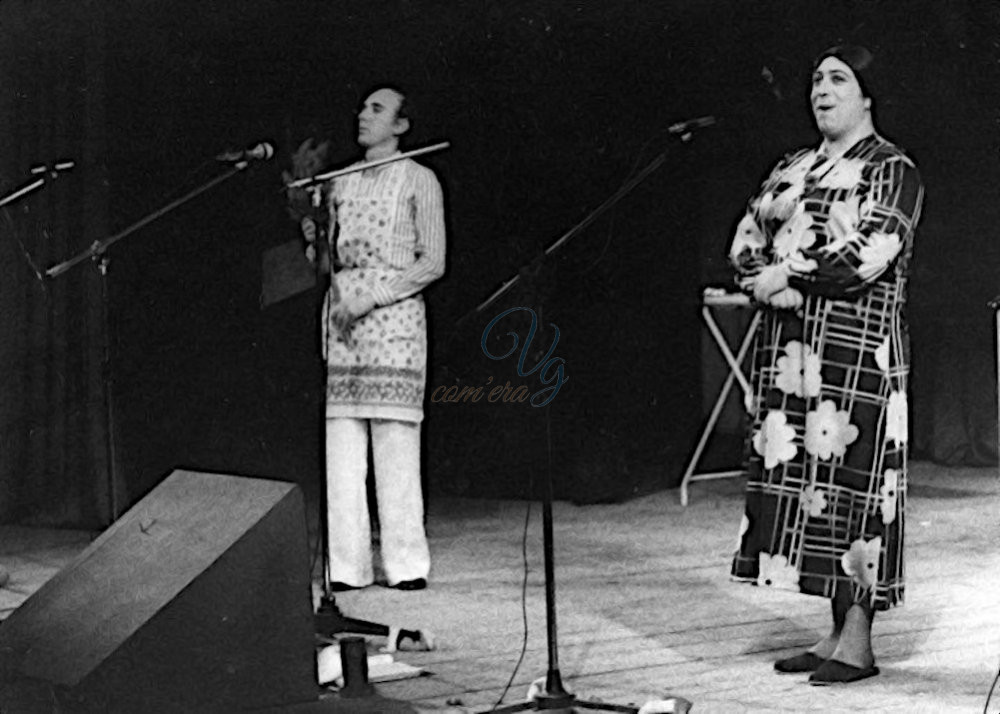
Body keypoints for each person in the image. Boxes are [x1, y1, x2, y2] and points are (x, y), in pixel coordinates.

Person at [728, 46, 924, 685]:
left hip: (857, 355)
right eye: (816, 79)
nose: (822, 89)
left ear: (867, 96)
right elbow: (746, 239)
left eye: (839, 79)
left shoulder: (892, 169)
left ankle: (859, 643)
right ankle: (833, 632)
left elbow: (872, 249)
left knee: (856, 490)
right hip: (792, 358)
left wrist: (791, 274)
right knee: (811, 491)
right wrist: (764, 280)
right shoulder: (791, 167)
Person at [301, 84, 446, 592]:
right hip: (344, 318)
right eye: (363, 106)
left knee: (396, 445)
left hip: (393, 318)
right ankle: (346, 567)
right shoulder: (340, 182)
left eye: (377, 109)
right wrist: (313, 232)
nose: (363, 114)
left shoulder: (420, 179)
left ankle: (405, 563)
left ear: (401, 125)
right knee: (342, 449)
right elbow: (327, 262)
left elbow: (433, 261)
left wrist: (373, 297)